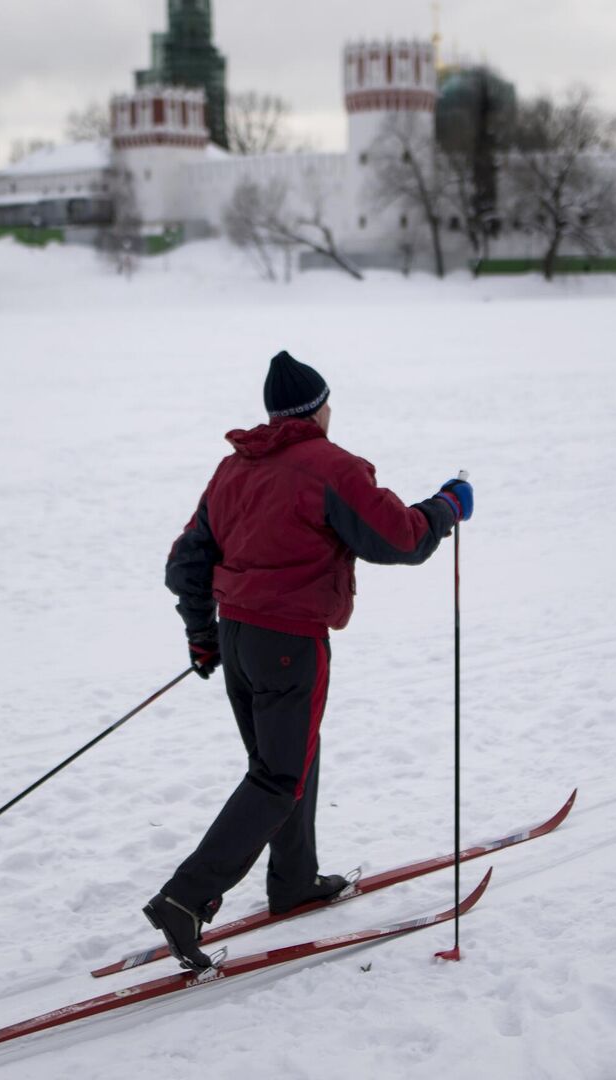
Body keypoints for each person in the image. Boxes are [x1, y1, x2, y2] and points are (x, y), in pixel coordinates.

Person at [144, 350, 474, 972]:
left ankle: (292, 881)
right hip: (290, 643)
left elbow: (185, 561)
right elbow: (399, 538)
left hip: (239, 636)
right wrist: (447, 508)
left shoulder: (232, 470)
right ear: (318, 409)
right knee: (277, 777)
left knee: (288, 760)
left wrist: (202, 636)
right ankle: (185, 899)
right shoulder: (331, 466)